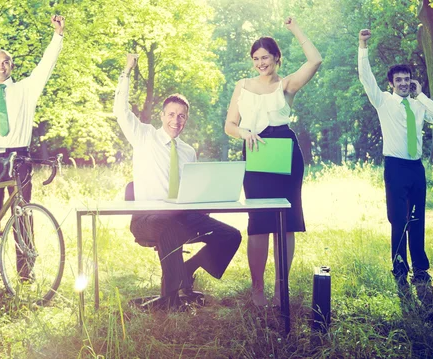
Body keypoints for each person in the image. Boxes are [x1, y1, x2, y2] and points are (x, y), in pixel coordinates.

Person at [115, 54, 242, 309]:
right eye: (171, 114)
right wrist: (127, 71)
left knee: (231, 236)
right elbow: (120, 110)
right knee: (168, 227)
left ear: (186, 119)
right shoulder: (144, 137)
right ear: (162, 116)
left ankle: (186, 270)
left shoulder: (188, 151)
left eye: (182, 116)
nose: (176, 120)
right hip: (148, 220)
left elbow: (191, 190)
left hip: (183, 216)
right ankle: (171, 300)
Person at [224, 17, 322, 307]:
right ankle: (257, 289)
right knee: (258, 222)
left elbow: (315, 60)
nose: (260, 63)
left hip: (285, 153)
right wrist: (242, 131)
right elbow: (229, 124)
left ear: (276, 58)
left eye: (265, 57)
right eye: (256, 58)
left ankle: (281, 288)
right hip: (254, 151)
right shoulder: (242, 85)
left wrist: (295, 27)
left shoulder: (287, 84)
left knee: (286, 223)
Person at [0, 15, 65, 279]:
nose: (1, 66)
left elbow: (46, 66)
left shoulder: (26, 90)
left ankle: (25, 272)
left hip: (20, 159)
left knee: (23, 212)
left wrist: (57, 36)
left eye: (6, 62)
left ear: (11, 66)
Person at [358, 29, 433, 285]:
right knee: (399, 219)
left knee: (417, 218)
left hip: (416, 168)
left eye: (407, 79)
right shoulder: (383, 101)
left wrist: (421, 95)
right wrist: (362, 46)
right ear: (391, 83)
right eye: (399, 80)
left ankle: (420, 268)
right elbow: (366, 78)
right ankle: (399, 268)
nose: (404, 83)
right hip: (395, 168)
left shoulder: (419, 103)